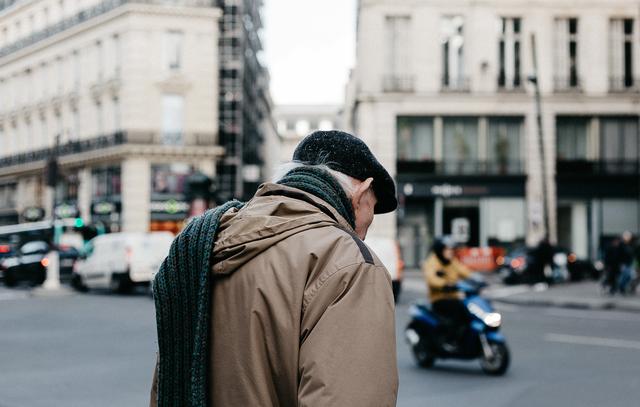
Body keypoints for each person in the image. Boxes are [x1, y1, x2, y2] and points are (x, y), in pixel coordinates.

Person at [150, 130, 399, 406]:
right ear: (361, 192)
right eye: (372, 211)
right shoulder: (348, 262)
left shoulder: (204, 244)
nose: (363, 231)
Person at [423, 237, 472, 345]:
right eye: (447, 249)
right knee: (458, 310)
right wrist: (444, 284)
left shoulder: (452, 261)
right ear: (440, 250)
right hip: (439, 298)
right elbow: (431, 278)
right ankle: (449, 339)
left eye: (452, 249)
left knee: (469, 310)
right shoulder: (432, 261)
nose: (451, 252)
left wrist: (477, 279)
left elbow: (464, 271)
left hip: (454, 296)